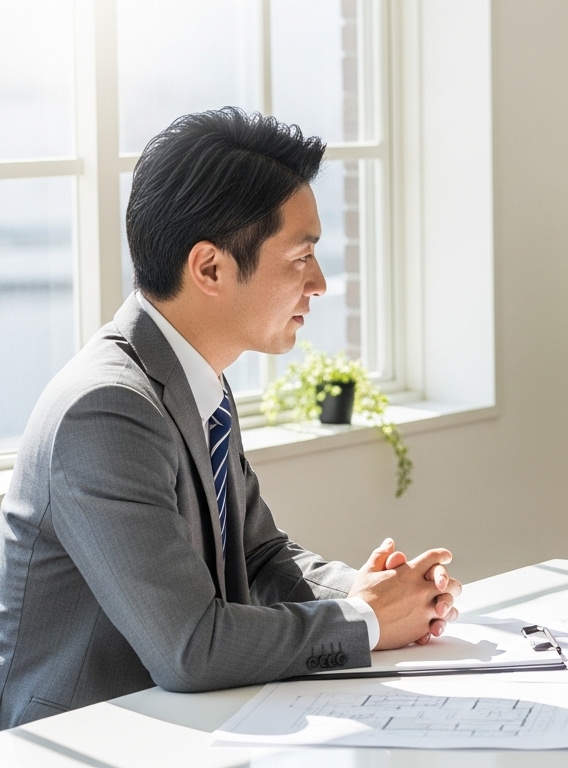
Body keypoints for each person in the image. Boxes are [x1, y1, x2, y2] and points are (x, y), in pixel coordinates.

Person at [0, 108, 463, 728]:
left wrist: (379, 593)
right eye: (301, 257)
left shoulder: (196, 378)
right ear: (210, 268)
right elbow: (190, 648)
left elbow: (263, 556)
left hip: (181, 722)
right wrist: (369, 620)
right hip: (87, 734)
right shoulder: (105, 410)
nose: (320, 284)